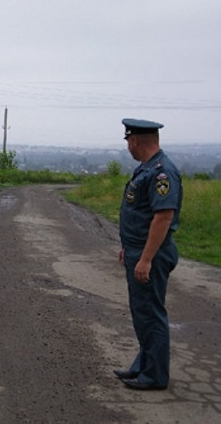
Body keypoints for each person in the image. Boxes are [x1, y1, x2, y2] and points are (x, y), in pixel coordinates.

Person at [115, 118, 183, 390]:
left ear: (135, 141)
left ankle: (154, 376)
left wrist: (145, 258)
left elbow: (163, 218)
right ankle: (142, 366)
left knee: (150, 314)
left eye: (128, 141)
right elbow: (141, 215)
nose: (128, 146)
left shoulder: (162, 172)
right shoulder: (148, 169)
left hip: (151, 255)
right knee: (142, 312)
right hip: (138, 249)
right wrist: (128, 247)